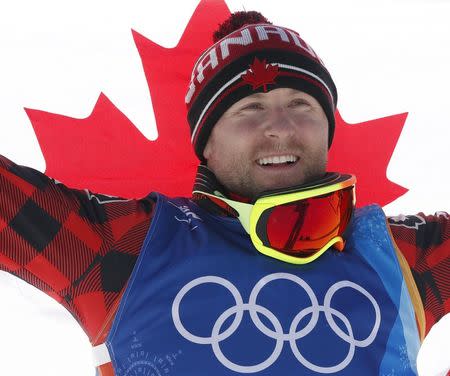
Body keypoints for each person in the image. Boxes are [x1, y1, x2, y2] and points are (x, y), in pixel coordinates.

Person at [0, 11, 448, 375]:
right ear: (206, 145)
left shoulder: (398, 255)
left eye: (301, 104)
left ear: (327, 129)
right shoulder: (129, 245)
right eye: (249, 108)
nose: (279, 127)